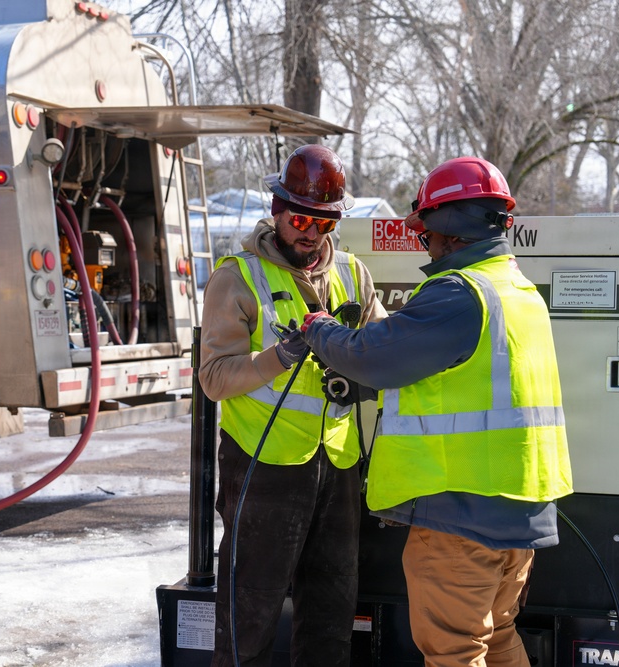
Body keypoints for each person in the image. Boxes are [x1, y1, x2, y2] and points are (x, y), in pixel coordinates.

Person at [299, 156, 573, 667]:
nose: (426, 242)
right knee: (495, 639)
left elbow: (369, 356)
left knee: (452, 652)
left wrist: (318, 329)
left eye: (426, 232)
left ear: (448, 228)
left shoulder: (458, 293)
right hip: (518, 517)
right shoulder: (518, 291)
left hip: (461, 519)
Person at [199, 143, 387, 666]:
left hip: (339, 463)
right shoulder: (237, 277)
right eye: (300, 218)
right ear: (277, 210)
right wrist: (280, 355)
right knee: (250, 612)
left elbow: (380, 347)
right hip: (264, 466)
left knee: (331, 609)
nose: (310, 232)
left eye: (323, 223)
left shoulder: (353, 275)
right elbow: (214, 378)